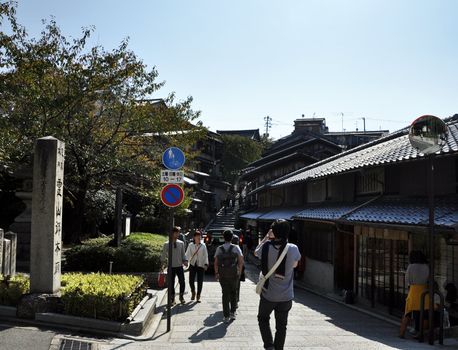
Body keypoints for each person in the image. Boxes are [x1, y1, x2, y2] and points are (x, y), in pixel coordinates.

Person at [255, 219, 301, 350]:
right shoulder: (293, 248)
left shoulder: (265, 247)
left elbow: (255, 252)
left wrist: (266, 237)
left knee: (263, 318)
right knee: (281, 326)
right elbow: (295, 264)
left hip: (268, 295)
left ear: (273, 232)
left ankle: (269, 346)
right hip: (286, 296)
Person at [214, 230, 244, 323]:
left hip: (223, 274)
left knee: (225, 294)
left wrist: (216, 273)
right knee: (233, 293)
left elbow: (216, 262)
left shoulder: (219, 248)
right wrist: (239, 271)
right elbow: (241, 261)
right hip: (233, 273)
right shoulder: (236, 247)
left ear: (223, 237)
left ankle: (226, 316)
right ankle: (233, 313)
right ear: (232, 238)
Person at [399, 250, 429, 338]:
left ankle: (402, 333)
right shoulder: (426, 267)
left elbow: (407, 281)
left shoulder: (411, 267)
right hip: (424, 291)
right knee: (425, 314)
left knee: (407, 313)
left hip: (413, 290)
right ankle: (421, 334)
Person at [161, 226, 188, 305]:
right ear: (172, 233)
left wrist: (185, 261)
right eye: (176, 233)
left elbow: (183, 254)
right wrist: (162, 265)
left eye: (178, 233)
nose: (177, 234)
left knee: (182, 282)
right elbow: (163, 256)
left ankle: (181, 296)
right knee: (171, 283)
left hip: (179, 266)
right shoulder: (166, 244)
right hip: (171, 267)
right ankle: (172, 299)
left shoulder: (181, 243)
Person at [185, 231, 209, 302]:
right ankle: (193, 292)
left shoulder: (203, 245)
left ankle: (198, 295)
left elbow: (206, 255)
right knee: (191, 280)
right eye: (197, 237)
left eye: (200, 237)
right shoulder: (190, 245)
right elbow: (187, 254)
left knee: (200, 281)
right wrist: (186, 261)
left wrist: (206, 264)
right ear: (194, 237)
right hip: (193, 264)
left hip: (201, 265)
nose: (199, 238)